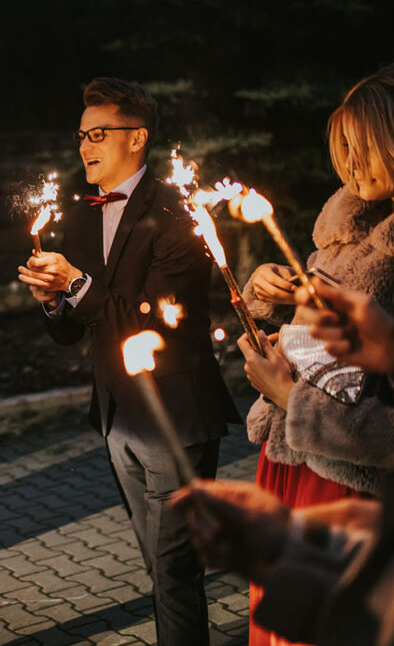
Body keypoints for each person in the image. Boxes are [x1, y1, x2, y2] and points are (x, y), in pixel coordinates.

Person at [236, 66, 394, 646]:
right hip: (289, 467)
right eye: (342, 148)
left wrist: (292, 399)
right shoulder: (348, 226)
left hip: (355, 489)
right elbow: (327, 336)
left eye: (363, 146)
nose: (350, 164)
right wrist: (271, 300)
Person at [19, 77, 240, 646]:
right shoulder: (84, 216)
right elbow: (75, 331)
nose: (85, 146)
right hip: (117, 414)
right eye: (81, 135)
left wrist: (75, 282)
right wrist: (52, 302)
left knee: (174, 573)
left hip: (175, 416)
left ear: (137, 137)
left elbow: (151, 326)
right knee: (161, 571)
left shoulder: (177, 214)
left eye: (99, 133)